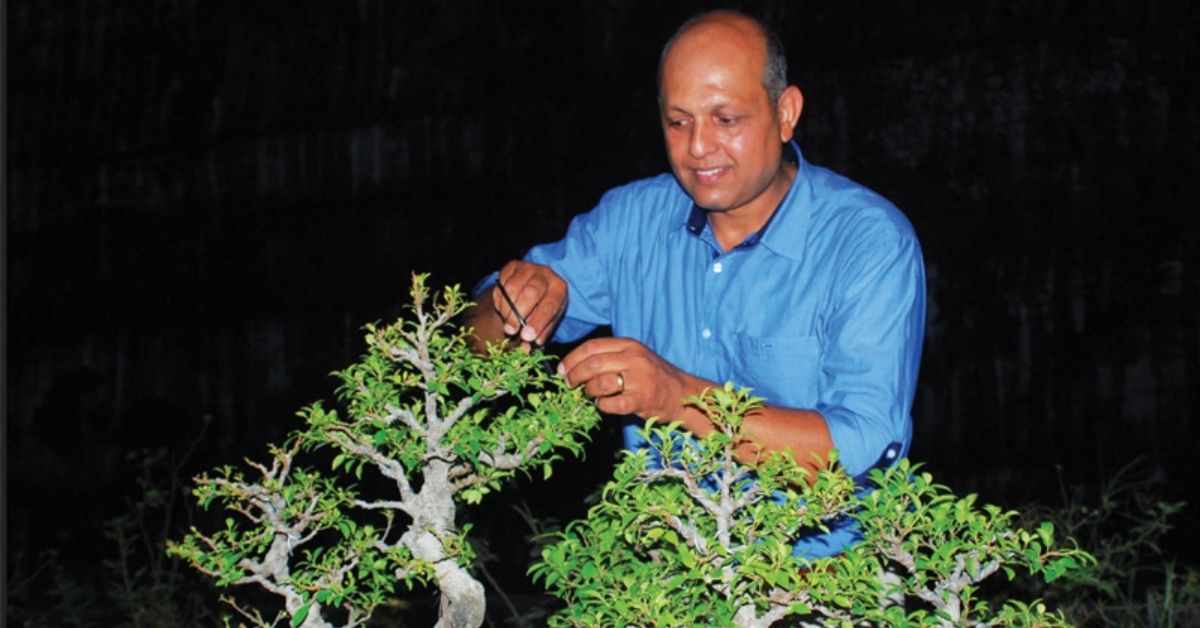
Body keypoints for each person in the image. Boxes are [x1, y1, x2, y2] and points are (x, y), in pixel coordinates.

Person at [466, 10, 925, 557]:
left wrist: (678, 397)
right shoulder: (630, 221)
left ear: (786, 113)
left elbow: (863, 445)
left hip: (820, 584)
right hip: (663, 581)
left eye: (726, 119)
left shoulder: (867, 243)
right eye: (677, 122)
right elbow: (473, 340)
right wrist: (511, 305)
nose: (699, 148)